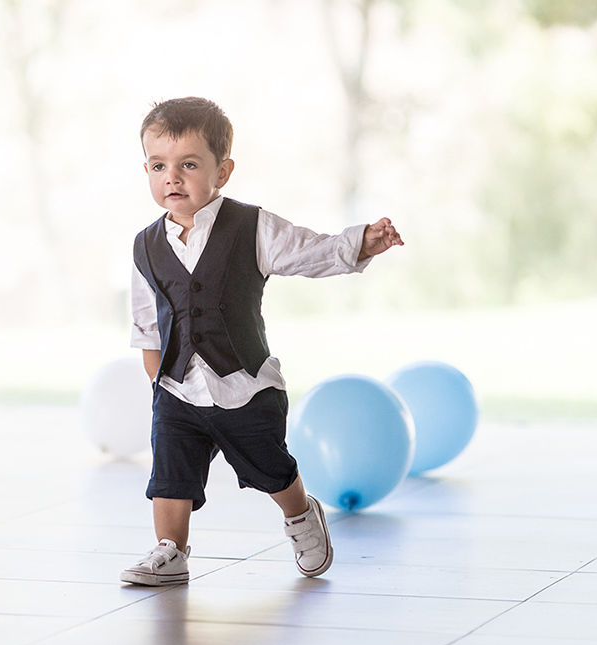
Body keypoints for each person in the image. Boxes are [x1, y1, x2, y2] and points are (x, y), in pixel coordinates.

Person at [121, 97, 403, 586]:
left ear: (223, 171)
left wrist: (359, 242)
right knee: (170, 469)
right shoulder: (145, 244)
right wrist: (158, 383)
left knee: (269, 466)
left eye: (189, 165)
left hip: (244, 384)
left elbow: (308, 250)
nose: (173, 177)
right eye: (158, 165)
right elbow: (147, 321)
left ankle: (299, 515)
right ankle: (171, 550)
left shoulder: (250, 227)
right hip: (177, 387)